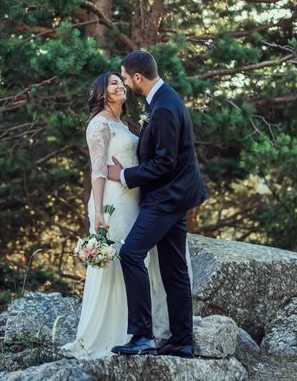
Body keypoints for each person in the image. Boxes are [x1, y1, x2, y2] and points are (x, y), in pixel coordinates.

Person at [61, 72, 170, 359]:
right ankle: (113, 334)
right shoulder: (99, 125)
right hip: (112, 204)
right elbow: (97, 171)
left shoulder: (124, 124)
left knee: (135, 262)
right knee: (118, 262)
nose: (120, 85)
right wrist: (97, 212)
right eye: (113, 83)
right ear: (102, 93)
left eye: (120, 82)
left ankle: (137, 331)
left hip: (134, 200)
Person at [107, 50, 207, 358]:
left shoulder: (163, 107)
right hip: (174, 194)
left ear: (138, 77)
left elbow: (165, 163)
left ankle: (142, 336)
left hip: (167, 197)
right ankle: (182, 341)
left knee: (131, 254)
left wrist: (124, 174)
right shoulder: (164, 99)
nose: (124, 82)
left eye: (125, 77)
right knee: (175, 269)